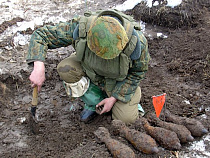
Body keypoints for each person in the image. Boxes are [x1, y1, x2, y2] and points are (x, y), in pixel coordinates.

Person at [27, 9, 150, 124]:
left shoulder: (137, 43)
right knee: (66, 68)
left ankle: (123, 101)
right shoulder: (82, 27)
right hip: (90, 69)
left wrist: (114, 98)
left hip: (118, 82)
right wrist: (38, 67)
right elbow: (42, 35)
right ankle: (94, 103)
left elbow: (137, 73)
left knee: (126, 120)